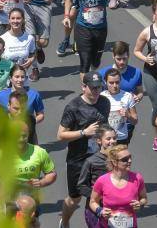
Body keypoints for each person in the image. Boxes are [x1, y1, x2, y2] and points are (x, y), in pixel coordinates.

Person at [58, 73, 112, 228]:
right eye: (93, 88)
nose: (96, 91)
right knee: (75, 198)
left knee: (98, 195)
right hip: (77, 159)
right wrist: (83, 132)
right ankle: (65, 221)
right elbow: (60, 134)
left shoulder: (104, 102)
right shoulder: (73, 107)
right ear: (83, 87)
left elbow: (104, 128)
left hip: (99, 158)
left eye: (99, 87)